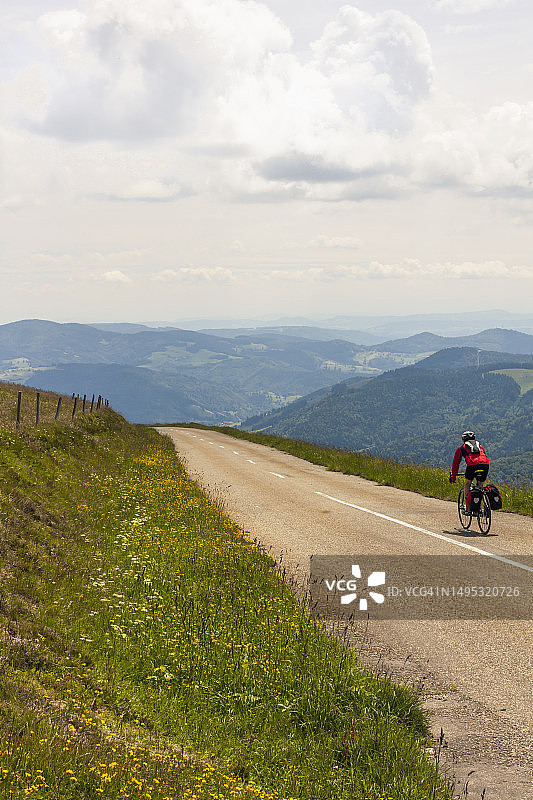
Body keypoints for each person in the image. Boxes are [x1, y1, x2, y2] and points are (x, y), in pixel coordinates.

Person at [449, 431, 490, 507]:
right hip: (485, 464)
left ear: (464, 440)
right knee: (480, 486)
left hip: (472, 465)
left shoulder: (461, 448)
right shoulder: (480, 446)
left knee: (467, 483)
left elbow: (456, 464)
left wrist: (453, 477)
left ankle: (468, 506)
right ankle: (484, 506)